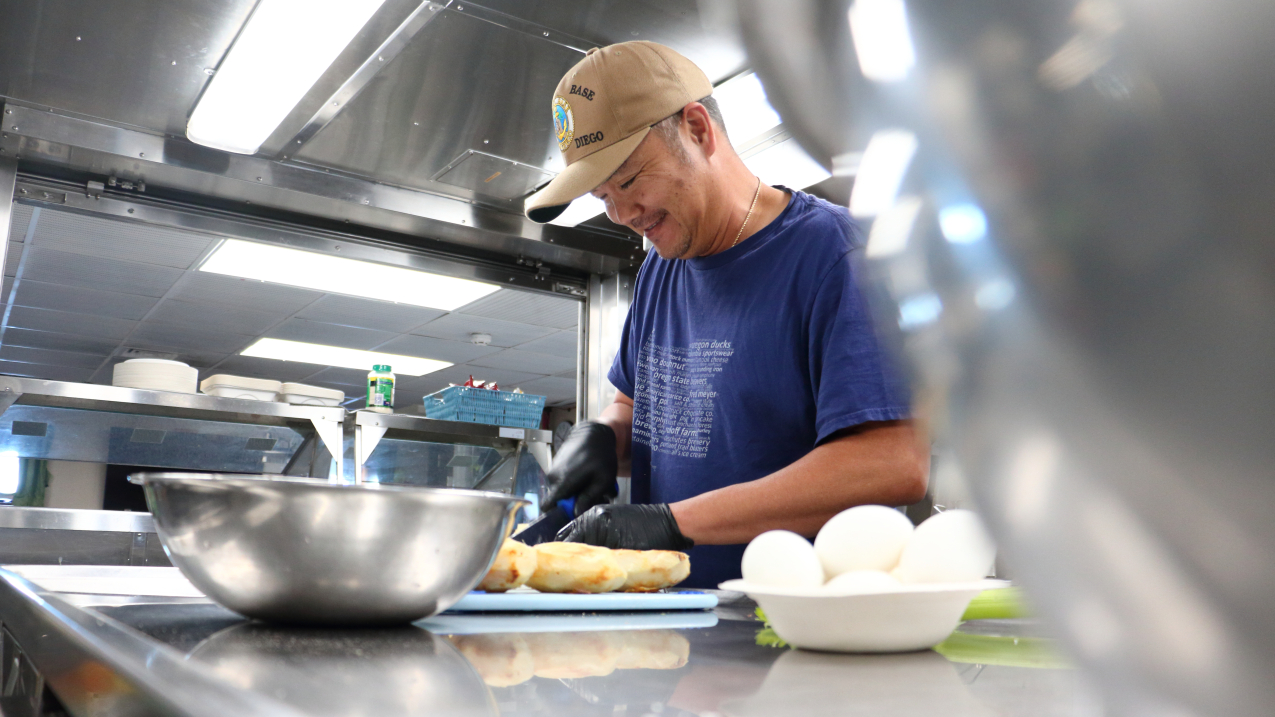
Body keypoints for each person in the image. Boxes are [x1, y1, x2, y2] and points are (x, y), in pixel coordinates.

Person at [524, 41, 929, 588]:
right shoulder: (659, 271)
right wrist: (600, 436)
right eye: (602, 197)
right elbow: (632, 404)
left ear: (697, 129)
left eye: (627, 180)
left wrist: (672, 523)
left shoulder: (836, 255)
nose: (621, 214)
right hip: (673, 628)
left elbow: (892, 463)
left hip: (800, 633)